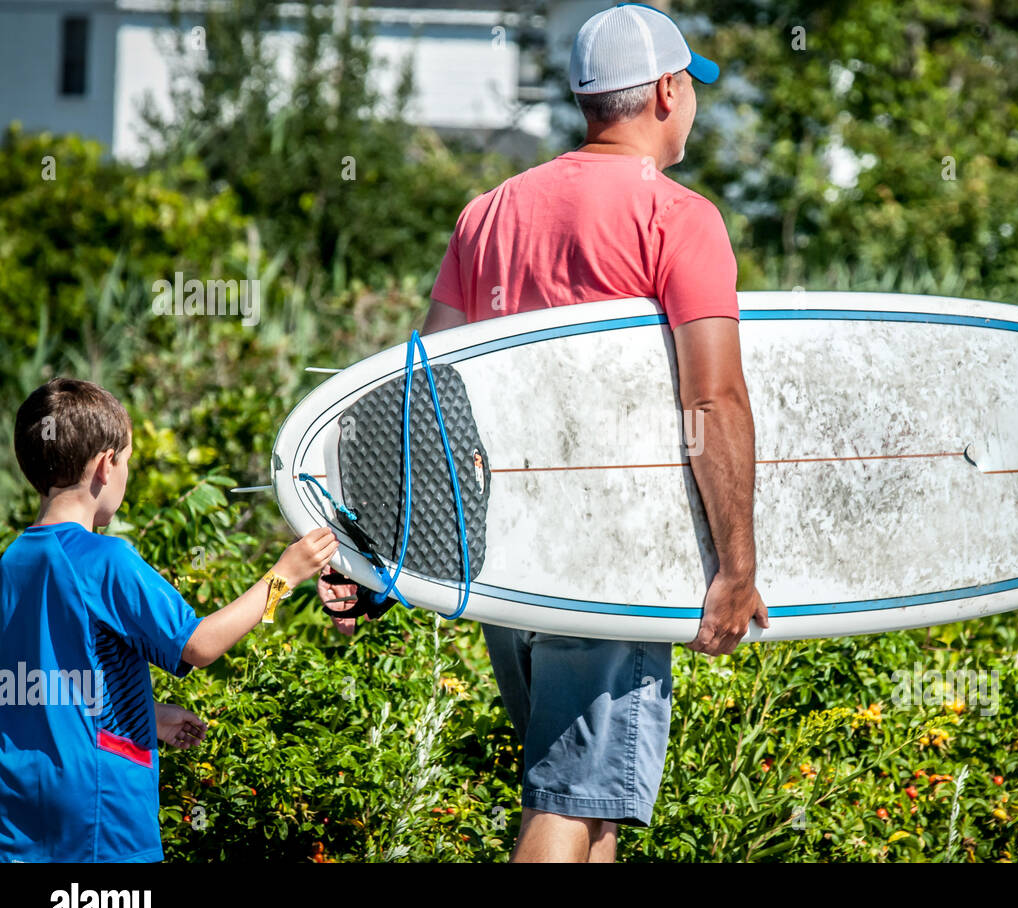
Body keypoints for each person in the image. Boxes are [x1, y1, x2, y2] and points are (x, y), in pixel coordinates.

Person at [319, 1, 769, 863]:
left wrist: (369, 554)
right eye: (694, 90)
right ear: (670, 93)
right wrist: (737, 567)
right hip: (611, 546)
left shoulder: (487, 212)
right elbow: (712, 401)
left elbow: (425, 399)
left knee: (590, 801)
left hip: (509, 549)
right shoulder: (678, 217)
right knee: (570, 802)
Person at [0, 378, 337, 862]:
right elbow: (197, 645)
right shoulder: (105, 559)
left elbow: (36, 684)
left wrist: (147, 717)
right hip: (101, 812)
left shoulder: (12, 562)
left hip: (21, 812)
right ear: (105, 465)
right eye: (128, 461)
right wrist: (283, 577)